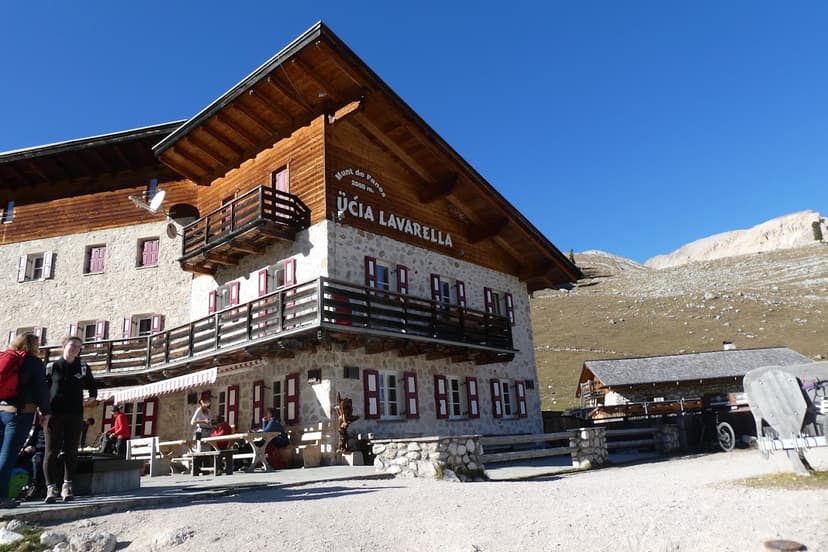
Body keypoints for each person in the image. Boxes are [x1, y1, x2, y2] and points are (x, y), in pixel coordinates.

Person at [43, 335, 97, 504]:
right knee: (51, 452)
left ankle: (67, 486)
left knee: (71, 451)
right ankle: (51, 488)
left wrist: (92, 397)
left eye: (78, 347)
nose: (75, 349)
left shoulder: (82, 367)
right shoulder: (52, 367)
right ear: (64, 346)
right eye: (72, 345)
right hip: (54, 414)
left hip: (75, 414)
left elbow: (92, 385)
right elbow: (43, 389)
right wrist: (41, 410)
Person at [0, 333, 51, 509]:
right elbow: (41, 389)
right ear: (32, 345)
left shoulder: (6, 356)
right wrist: (45, 411)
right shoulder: (33, 362)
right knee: (8, 455)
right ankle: (1, 497)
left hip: (1, 409)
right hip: (20, 413)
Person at [19, 414, 45, 500]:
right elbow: (32, 441)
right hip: (31, 452)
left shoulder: (47, 429)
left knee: (36, 459)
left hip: (42, 452)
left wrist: (34, 448)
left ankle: (36, 487)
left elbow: (43, 444)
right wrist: (27, 447)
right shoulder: (36, 428)